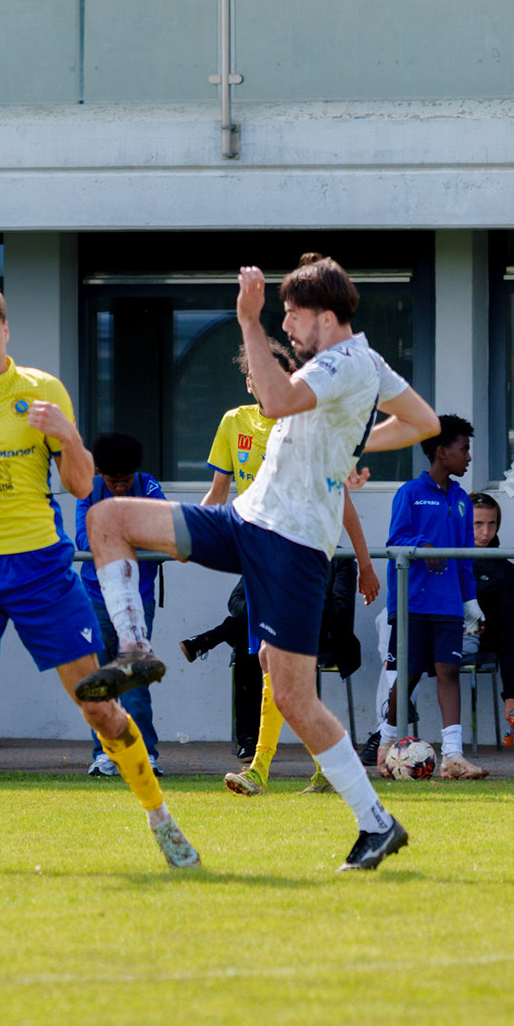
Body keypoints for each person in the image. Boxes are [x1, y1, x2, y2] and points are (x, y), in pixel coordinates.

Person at [80, 255, 440, 872]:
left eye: (292, 315)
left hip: (290, 546)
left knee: (294, 696)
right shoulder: (368, 363)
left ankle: (376, 822)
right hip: (248, 521)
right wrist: (351, 444)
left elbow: (274, 400)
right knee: (107, 519)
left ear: (325, 316)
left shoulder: (338, 361)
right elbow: (424, 421)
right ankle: (135, 649)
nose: (287, 327)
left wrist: (248, 320)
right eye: (280, 316)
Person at [0, 280, 200, 872]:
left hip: (41, 571)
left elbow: (81, 485)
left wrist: (69, 435)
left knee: (98, 706)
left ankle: (162, 821)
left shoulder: (42, 390)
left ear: (7, 332)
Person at [189, 341, 381, 798]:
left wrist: (364, 563)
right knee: (272, 662)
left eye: (277, 376)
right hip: (259, 556)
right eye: (259, 376)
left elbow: (341, 498)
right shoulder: (233, 423)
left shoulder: (308, 424)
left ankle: (261, 770)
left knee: (275, 661)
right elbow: (217, 494)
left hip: (300, 552)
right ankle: (326, 766)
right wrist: (186, 535)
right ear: (249, 382)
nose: (267, 383)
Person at [367, 419, 488, 780]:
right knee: (407, 676)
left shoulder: (462, 500)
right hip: (412, 604)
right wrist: (422, 546)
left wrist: (470, 603)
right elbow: (396, 541)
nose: (468, 457)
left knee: (449, 671)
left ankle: (453, 755)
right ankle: (387, 745)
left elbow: (465, 558)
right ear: (441, 452)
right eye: (464, 449)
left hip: (448, 604)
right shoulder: (410, 493)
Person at [74, 432, 164, 778]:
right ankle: (104, 754)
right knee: (100, 678)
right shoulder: (89, 489)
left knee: (135, 676)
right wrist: (133, 532)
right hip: (95, 597)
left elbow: (163, 529)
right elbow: (84, 540)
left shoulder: (148, 486)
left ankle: (145, 752)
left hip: (138, 597)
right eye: (114, 481)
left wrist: (112, 532)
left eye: (126, 479)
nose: (121, 486)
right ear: (100, 473)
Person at [468, 493, 514, 743]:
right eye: (478, 524)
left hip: (474, 641)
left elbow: (509, 631)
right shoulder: (443, 559)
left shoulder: (503, 570)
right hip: (435, 636)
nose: (486, 532)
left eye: (491, 523)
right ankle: (388, 727)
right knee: (389, 621)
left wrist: (511, 694)